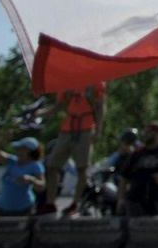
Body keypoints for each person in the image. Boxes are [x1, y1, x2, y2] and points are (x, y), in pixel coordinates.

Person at [39, 82, 107, 216]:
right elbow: (59, 106)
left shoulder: (96, 81)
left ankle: (75, 203)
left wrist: (98, 129)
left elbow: (100, 106)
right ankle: (50, 203)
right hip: (67, 127)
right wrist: (39, 113)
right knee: (52, 165)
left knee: (82, 168)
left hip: (86, 127)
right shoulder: (67, 80)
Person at [117, 120, 158, 217]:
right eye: (146, 132)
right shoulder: (137, 153)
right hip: (136, 201)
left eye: (150, 132)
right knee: (134, 230)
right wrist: (121, 199)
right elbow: (124, 178)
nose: (146, 135)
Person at [0, 132, 46, 216]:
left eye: (21, 149)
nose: (17, 150)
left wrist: (31, 179)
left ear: (29, 151)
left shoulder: (35, 165)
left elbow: (41, 186)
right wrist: (2, 141)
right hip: (2, 208)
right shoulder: (11, 161)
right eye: (17, 148)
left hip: (24, 209)